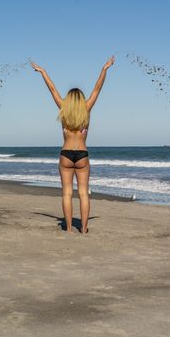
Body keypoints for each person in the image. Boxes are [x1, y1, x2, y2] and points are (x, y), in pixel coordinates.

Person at [30, 56, 115, 233]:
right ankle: (83, 229)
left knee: (67, 193)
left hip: (66, 155)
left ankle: (69, 228)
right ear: (81, 99)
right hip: (82, 155)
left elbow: (52, 89)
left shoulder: (63, 108)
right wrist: (104, 69)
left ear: (69, 100)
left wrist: (43, 72)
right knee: (84, 193)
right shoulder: (87, 108)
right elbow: (98, 88)